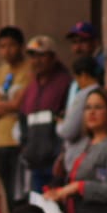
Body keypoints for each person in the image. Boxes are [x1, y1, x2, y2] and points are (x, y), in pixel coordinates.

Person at [17, 35, 73, 195]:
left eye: (42, 55)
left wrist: (60, 155)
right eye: (33, 56)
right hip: (35, 162)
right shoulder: (31, 86)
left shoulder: (64, 83)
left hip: (56, 163)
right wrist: (25, 149)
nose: (37, 61)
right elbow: (23, 120)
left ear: (53, 57)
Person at [0, 25, 33, 199]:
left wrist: (2, 104)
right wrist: (9, 104)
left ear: (21, 46)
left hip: (19, 139)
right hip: (1, 140)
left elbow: (19, 104)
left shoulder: (30, 69)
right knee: (7, 191)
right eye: (2, 46)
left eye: (11, 45)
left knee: (20, 192)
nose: (7, 51)